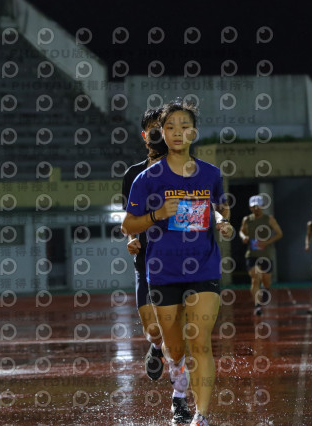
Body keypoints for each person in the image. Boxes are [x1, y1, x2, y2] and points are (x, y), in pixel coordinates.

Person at [122, 100, 234, 426]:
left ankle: (201, 416)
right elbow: (129, 224)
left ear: (193, 132)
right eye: (169, 127)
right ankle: (176, 381)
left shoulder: (211, 174)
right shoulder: (145, 178)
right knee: (174, 347)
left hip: (204, 266)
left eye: (183, 126)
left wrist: (223, 221)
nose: (176, 132)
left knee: (200, 342)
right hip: (162, 270)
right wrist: (157, 215)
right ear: (161, 133)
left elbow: (218, 208)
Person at [121, 107, 193, 423]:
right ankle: (154, 346)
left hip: (177, 263)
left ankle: (179, 399)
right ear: (144, 135)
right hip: (145, 263)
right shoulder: (132, 176)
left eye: (160, 128)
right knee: (154, 331)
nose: (156, 134)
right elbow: (129, 219)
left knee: (178, 339)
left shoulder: (184, 170)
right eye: (151, 129)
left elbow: (193, 214)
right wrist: (130, 238)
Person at [239, 194, 283, 315]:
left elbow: (279, 233)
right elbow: (241, 231)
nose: (256, 208)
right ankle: (257, 306)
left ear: (262, 206)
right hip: (252, 254)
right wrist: (244, 237)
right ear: (250, 207)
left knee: (266, 280)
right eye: (253, 206)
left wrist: (267, 242)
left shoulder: (269, 219)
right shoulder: (247, 220)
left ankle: (266, 288)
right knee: (255, 278)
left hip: (266, 255)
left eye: (258, 206)